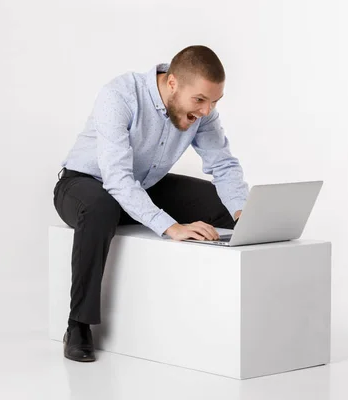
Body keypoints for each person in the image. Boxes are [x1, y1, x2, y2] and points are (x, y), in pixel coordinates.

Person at [52, 45, 249, 362]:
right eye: (199, 100)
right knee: (102, 207)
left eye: (214, 102)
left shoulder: (204, 113)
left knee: (224, 205)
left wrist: (243, 215)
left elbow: (224, 166)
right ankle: (78, 325)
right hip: (83, 184)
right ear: (172, 83)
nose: (207, 110)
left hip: (143, 185)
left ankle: (225, 312)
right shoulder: (120, 95)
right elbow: (116, 177)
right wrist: (169, 227)